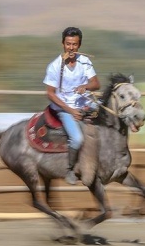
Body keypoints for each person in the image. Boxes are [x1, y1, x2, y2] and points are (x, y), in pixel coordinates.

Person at [43, 27, 101, 185]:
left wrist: (86, 87)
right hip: (64, 108)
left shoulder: (85, 61)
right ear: (63, 44)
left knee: (108, 116)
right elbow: (50, 93)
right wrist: (70, 110)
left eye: (74, 44)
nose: (71, 48)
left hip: (85, 103)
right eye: (68, 44)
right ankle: (70, 169)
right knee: (77, 139)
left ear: (79, 45)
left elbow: (96, 83)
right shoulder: (55, 66)